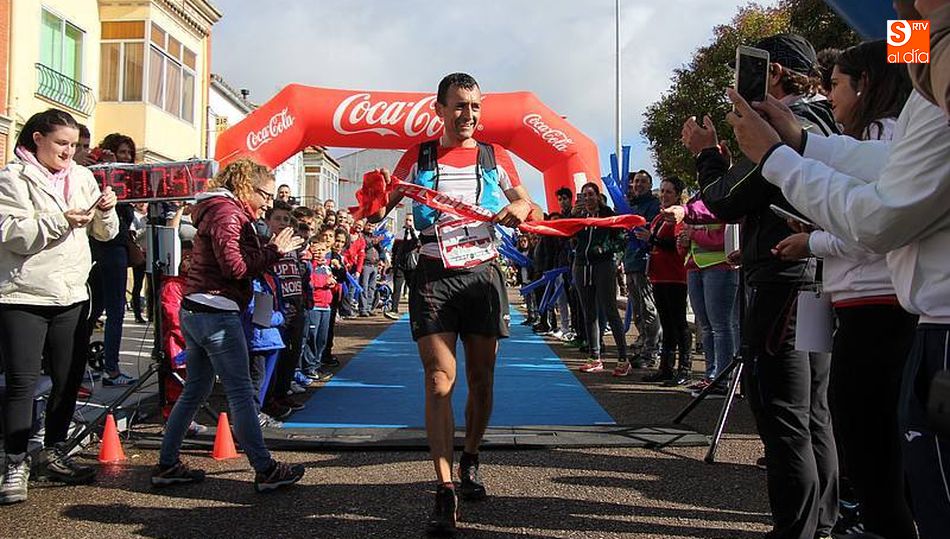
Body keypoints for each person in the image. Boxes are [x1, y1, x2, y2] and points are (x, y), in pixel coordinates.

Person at [724, 3, 949, 532]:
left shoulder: (934, 60)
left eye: (839, 82)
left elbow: (880, 218)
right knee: (887, 469)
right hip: (918, 323)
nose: (900, 7)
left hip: (907, 318)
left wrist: (779, 161)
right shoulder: (925, 74)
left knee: (900, 480)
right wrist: (801, 143)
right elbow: (895, 170)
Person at [680, 33, 840, 539]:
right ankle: (823, 524)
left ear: (771, 75)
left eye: (746, 72)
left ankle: (798, 529)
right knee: (813, 412)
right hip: (812, 281)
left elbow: (725, 199)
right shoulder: (828, 123)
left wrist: (707, 154)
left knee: (784, 413)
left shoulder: (789, 127)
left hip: (785, 285)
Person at [369, 72, 541, 535]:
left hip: (482, 276)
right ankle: (443, 489)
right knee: (440, 379)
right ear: (439, 109)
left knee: (482, 381)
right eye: (460, 106)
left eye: (476, 107)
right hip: (432, 274)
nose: (469, 115)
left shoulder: (494, 156)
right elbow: (380, 207)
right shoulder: (419, 156)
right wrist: (375, 197)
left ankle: (470, 457)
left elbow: (531, 207)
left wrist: (521, 210)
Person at [769, 40, 918, 539]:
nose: (829, 96)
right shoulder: (888, 135)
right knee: (861, 433)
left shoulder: (897, 133)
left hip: (885, 307)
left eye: (835, 84)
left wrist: (810, 234)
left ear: (867, 84)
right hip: (867, 304)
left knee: (872, 442)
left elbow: (873, 223)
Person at [151, 158, 306, 492]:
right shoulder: (227, 212)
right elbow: (235, 266)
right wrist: (275, 251)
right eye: (265, 194)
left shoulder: (218, 210)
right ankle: (264, 468)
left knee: (195, 390)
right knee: (241, 393)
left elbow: (232, 259)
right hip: (216, 311)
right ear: (245, 187)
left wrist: (266, 249)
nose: (269, 202)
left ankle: (167, 464)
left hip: (198, 309)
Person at [0, 108, 119, 504]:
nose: (70, 152)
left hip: (71, 293)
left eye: (74, 145)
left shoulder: (83, 177)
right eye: (62, 144)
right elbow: (10, 233)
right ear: (37, 139)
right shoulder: (12, 177)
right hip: (24, 293)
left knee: (68, 379)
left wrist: (106, 211)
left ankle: (52, 451)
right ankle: (14, 461)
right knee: (22, 382)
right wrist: (59, 220)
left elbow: (103, 234)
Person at [86, 133, 139, 385]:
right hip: (104, 249)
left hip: (115, 248)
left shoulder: (129, 183)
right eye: (122, 152)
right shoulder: (100, 177)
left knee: (99, 310)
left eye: (129, 153)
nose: (126, 157)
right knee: (107, 310)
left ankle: (103, 366)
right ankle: (111, 369)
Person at [572, 182, 629, 376]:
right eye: (584, 195)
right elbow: (569, 236)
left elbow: (621, 239)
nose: (587, 198)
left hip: (603, 265)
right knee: (589, 313)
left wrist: (610, 255)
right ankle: (594, 356)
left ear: (598, 195)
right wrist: (573, 217)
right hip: (581, 265)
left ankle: (623, 358)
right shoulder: (579, 217)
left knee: (610, 310)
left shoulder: (608, 215)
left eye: (590, 194)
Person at [637, 177, 690, 386]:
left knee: (679, 323)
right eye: (663, 191)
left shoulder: (678, 217)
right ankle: (666, 367)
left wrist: (651, 238)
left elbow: (675, 244)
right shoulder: (660, 218)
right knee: (667, 323)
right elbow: (655, 243)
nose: (664, 195)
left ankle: (684, 367)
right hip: (659, 274)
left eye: (669, 192)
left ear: (677, 195)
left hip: (675, 275)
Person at [622, 170, 662, 368]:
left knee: (648, 308)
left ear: (649, 184)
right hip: (630, 263)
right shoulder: (629, 206)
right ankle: (645, 345)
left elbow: (652, 231)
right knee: (637, 309)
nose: (638, 185)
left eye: (643, 182)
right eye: (636, 181)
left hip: (645, 262)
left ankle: (652, 350)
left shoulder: (655, 205)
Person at [386, 214, 419, 320]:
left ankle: (415, 309)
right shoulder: (399, 234)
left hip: (412, 265)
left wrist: (412, 231)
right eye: (406, 220)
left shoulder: (417, 234)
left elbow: (416, 243)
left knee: (413, 289)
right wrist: (393, 263)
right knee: (397, 288)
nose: (408, 222)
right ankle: (394, 309)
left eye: (410, 220)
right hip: (400, 265)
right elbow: (394, 250)